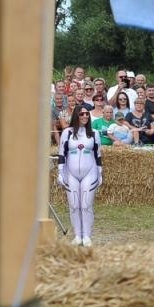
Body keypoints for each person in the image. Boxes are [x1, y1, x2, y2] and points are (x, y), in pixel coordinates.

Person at [57, 105, 103, 246]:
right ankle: (78, 235)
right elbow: (61, 153)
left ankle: (87, 236)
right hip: (70, 173)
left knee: (86, 205)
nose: (84, 116)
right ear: (76, 115)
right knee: (74, 205)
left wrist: (100, 173)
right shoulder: (67, 133)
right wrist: (60, 172)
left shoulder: (94, 133)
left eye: (87, 114)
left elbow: (98, 155)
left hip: (90, 172)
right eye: (81, 114)